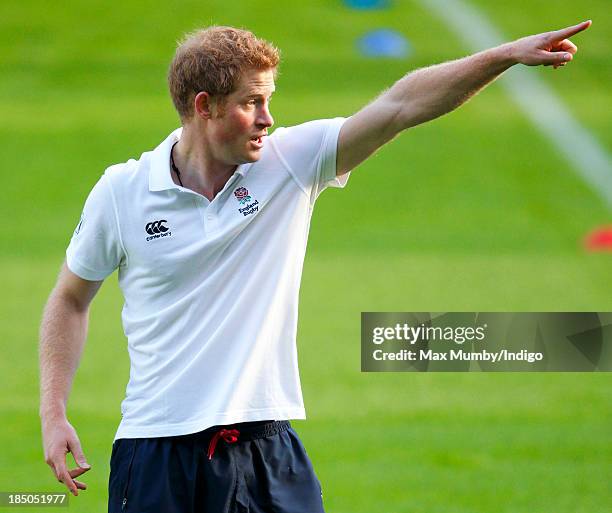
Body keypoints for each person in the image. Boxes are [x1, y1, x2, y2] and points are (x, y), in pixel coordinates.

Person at [39, 21, 591, 512]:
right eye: (251, 102)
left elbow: (401, 105)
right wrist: (53, 411)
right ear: (204, 106)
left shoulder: (290, 162)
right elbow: (70, 298)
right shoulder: (123, 192)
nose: (268, 118)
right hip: (158, 452)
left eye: (269, 100)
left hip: (267, 449)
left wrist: (503, 56)